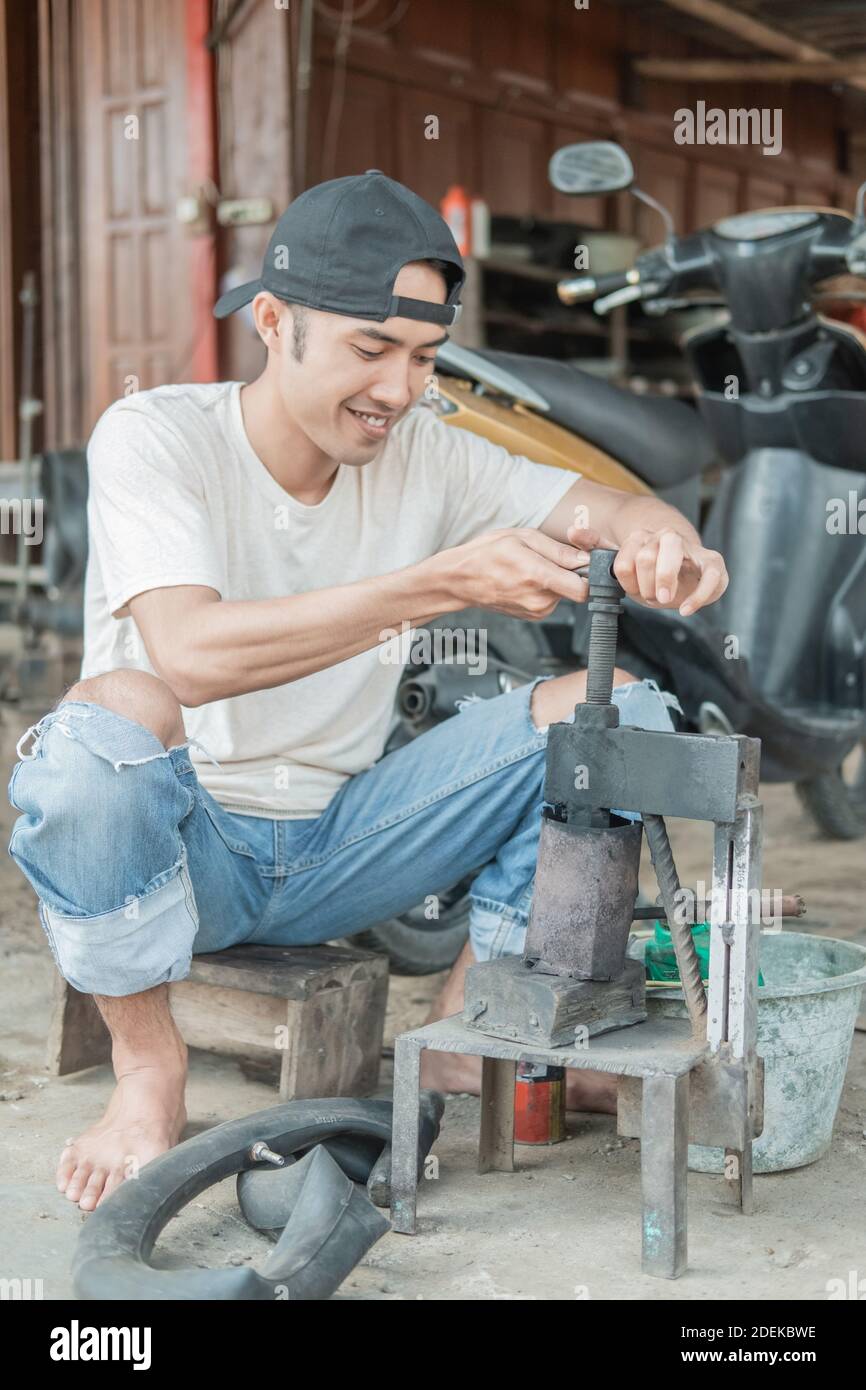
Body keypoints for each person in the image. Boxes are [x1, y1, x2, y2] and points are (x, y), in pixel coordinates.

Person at [7, 171, 727, 1211]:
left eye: (423, 358)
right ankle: (146, 1072)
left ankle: (466, 1031)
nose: (397, 389)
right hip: (183, 849)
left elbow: (607, 503)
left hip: (344, 845)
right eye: (369, 347)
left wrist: (662, 537)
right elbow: (191, 655)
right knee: (108, 725)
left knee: (615, 709)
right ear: (272, 321)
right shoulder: (156, 436)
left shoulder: (425, 452)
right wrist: (438, 583)